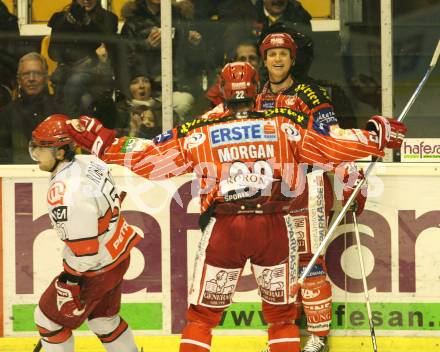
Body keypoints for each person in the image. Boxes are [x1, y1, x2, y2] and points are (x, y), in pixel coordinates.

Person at [65, 62, 406, 352]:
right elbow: (331, 145)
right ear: (256, 88)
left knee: (202, 318)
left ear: (222, 91)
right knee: (281, 318)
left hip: (226, 228)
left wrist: (104, 142)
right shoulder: (283, 123)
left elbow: (150, 159)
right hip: (275, 226)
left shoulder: (200, 131)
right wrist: (376, 137)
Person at [256, 31, 364, 352]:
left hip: (309, 188)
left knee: (309, 262)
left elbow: (333, 139)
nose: (277, 59)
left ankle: (317, 338)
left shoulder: (310, 95)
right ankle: (283, 336)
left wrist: (351, 180)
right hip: (272, 191)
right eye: (272, 54)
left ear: (292, 59)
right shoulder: (258, 98)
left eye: (283, 54)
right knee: (275, 265)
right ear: (264, 60)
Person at [29, 115, 141, 352]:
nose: (36, 153)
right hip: (119, 253)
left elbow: (85, 250)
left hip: (96, 268)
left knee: (47, 319)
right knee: (104, 321)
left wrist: (70, 282)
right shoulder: (90, 162)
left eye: (41, 147)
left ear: (60, 152)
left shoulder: (65, 191)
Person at [48, 0, 118, 117]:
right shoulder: (61, 18)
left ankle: (71, 121)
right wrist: (66, 26)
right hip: (67, 73)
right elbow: (53, 53)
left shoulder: (108, 19)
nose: (87, 0)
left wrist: (87, 23)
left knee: (81, 91)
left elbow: (107, 48)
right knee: (82, 98)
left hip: (96, 74)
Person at [0, 52, 62, 163]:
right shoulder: (6, 115)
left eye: (37, 73)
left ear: (46, 77)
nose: (31, 78)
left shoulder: (60, 110)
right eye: (26, 74)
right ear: (19, 80)